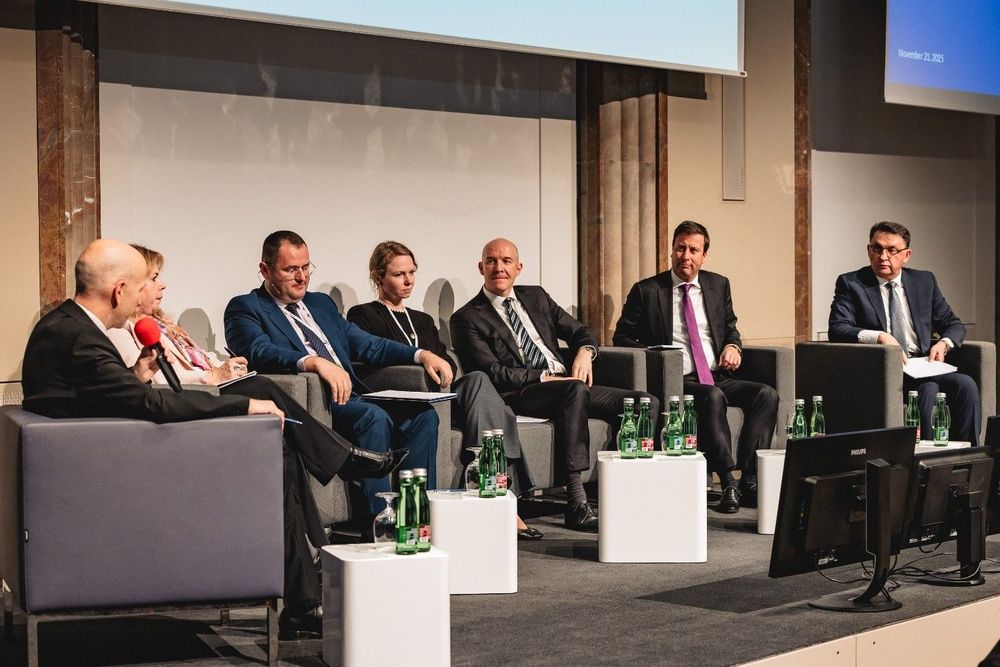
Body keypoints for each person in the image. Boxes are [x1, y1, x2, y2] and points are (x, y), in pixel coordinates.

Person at [20, 239, 403, 640]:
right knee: (271, 434)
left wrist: (135, 374)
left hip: (109, 451)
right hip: (120, 471)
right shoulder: (81, 338)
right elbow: (151, 404)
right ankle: (305, 596)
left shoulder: (66, 325)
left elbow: (99, 397)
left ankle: (305, 598)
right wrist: (242, 406)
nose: (145, 296)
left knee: (282, 450)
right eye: (141, 286)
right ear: (119, 290)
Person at [224, 230, 454, 519]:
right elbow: (258, 351)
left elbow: (367, 344)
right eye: (291, 269)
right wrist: (312, 362)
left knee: (423, 416)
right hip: (316, 404)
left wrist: (421, 355)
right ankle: (377, 523)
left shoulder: (320, 304)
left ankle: (415, 516)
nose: (301, 277)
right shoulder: (246, 307)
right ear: (265, 269)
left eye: (306, 267)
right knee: (373, 417)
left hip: (353, 395)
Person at [450, 238, 658, 530]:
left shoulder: (536, 296)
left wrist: (585, 352)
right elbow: (491, 372)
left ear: (518, 267)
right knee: (573, 389)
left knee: (644, 403)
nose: (499, 268)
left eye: (506, 261)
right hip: (521, 393)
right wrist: (544, 377)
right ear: (480, 267)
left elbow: (580, 331)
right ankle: (576, 500)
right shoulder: (466, 317)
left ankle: (625, 494)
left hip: (566, 386)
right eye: (491, 261)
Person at [347, 241, 542, 539]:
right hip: (400, 399)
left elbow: (445, 358)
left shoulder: (423, 320)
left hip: (442, 395)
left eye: (412, 272)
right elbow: (371, 358)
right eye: (399, 274)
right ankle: (498, 492)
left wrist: (443, 367)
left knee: (477, 380)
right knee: (498, 411)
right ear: (378, 276)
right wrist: (422, 364)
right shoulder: (364, 315)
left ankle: (495, 483)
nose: (408, 280)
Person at [612, 221, 778, 513]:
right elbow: (621, 338)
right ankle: (727, 481)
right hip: (678, 380)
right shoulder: (647, 290)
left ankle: (750, 480)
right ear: (672, 250)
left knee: (766, 395)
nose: (685, 256)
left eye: (693, 250)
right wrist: (658, 356)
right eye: (680, 248)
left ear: (704, 256)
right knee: (712, 397)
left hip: (716, 374)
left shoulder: (718, 285)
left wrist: (733, 347)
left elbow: (730, 328)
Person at [828, 221, 981, 444]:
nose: (883, 257)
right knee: (927, 390)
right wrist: (880, 337)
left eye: (892, 250)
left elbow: (953, 324)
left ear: (906, 255)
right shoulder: (852, 283)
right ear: (869, 250)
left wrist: (944, 343)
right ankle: (926, 459)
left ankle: (968, 455)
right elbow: (838, 328)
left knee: (966, 385)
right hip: (886, 369)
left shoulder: (924, 281)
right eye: (877, 249)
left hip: (924, 364)